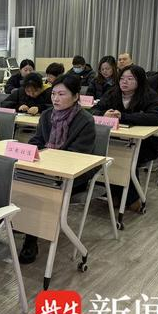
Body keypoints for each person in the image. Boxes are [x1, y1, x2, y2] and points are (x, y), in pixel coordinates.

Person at [19, 75, 96, 264]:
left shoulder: (85, 120)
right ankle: (23, 223)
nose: (55, 98)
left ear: (76, 96)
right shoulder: (47, 115)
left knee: (37, 188)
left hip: (73, 174)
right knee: (19, 179)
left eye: (62, 94)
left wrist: (47, 161)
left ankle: (31, 238)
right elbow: (38, 140)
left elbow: (78, 156)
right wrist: (30, 151)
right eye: (53, 94)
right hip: (46, 168)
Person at [92, 65, 158, 210]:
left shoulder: (150, 95)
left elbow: (155, 117)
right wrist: (103, 114)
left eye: (130, 79)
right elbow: (94, 110)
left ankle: (130, 198)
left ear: (140, 81)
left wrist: (123, 117)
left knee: (125, 158)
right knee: (106, 155)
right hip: (113, 140)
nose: (124, 82)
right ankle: (114, 194)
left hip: (144, 143)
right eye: (122, 78)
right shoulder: (113, 93)